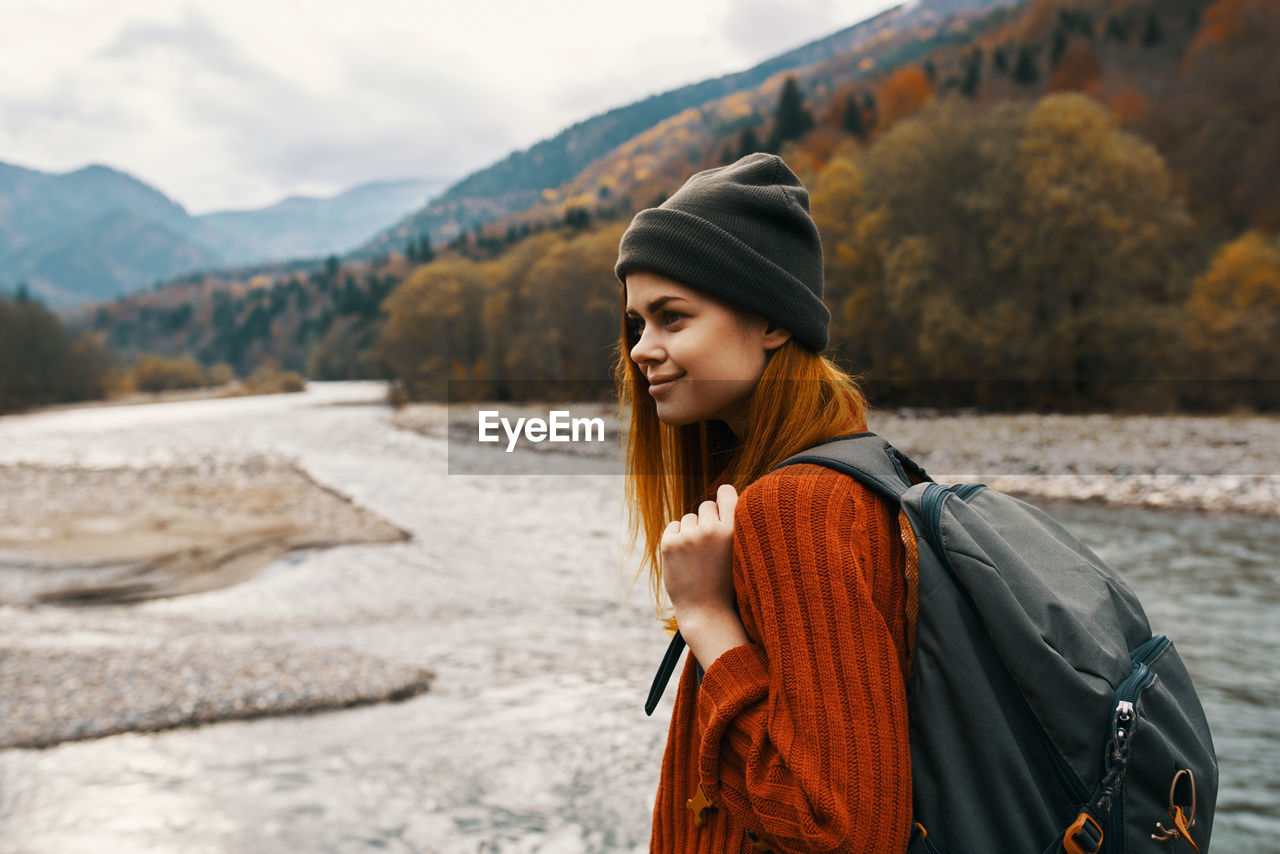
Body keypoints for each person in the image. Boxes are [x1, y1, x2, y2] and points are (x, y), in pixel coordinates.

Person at [612, 152, 914, 853]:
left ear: (772, 322)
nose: (641, 350)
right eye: (637, 325)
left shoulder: (798, 508)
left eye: (672, 319)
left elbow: (844, 834)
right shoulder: (849, 473)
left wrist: (708, 618)